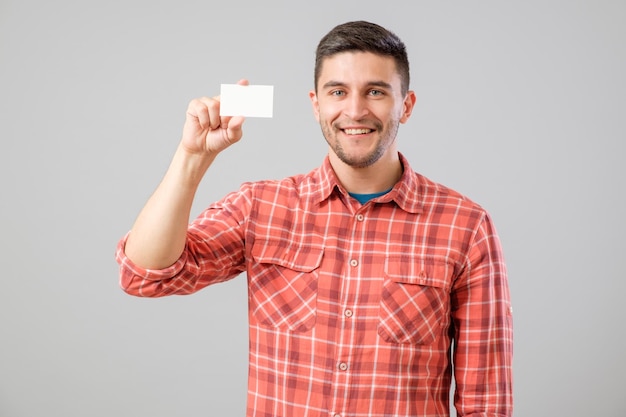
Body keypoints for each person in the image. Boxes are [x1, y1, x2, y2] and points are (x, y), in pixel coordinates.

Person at [115, 20, 513, 417]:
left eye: (375, 92)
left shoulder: (465, 226)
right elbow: (147, 275)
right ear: (316, 104)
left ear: (405, 106)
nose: (355, 110)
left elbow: (487, 403)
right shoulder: (262, 207)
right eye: (338, 91)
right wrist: (193, 157)